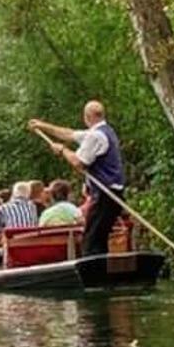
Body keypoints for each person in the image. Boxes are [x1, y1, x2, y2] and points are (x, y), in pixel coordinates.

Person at [30, 100, 126, 257]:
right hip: (113, 193)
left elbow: (78, 162)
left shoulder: (95, 136)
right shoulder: (105, 131)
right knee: (98, 237)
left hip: (105, 193)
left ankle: (95, 273)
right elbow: (69, 134)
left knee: (91, 240)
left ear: (86, 116)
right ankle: (103, 269)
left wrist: (62, 150)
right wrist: (42, 126)